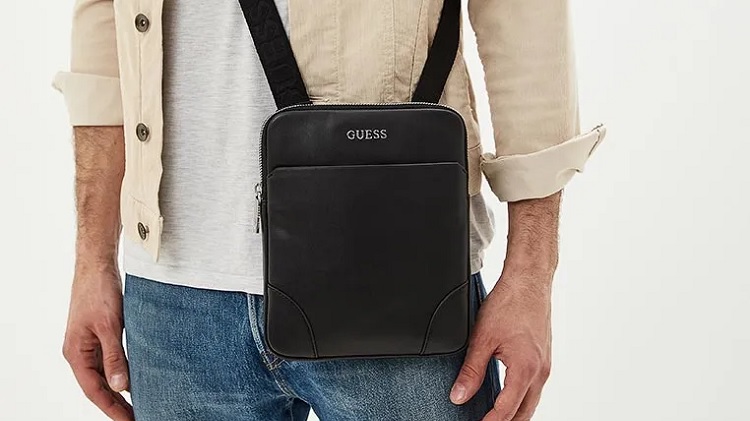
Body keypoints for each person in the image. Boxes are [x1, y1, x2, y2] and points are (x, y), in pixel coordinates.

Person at [53, 0, 606, 420]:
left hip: (401, 277)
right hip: (173, 293)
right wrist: (92, 262)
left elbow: (525, 16)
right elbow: (104, 25)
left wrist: (531, 273)